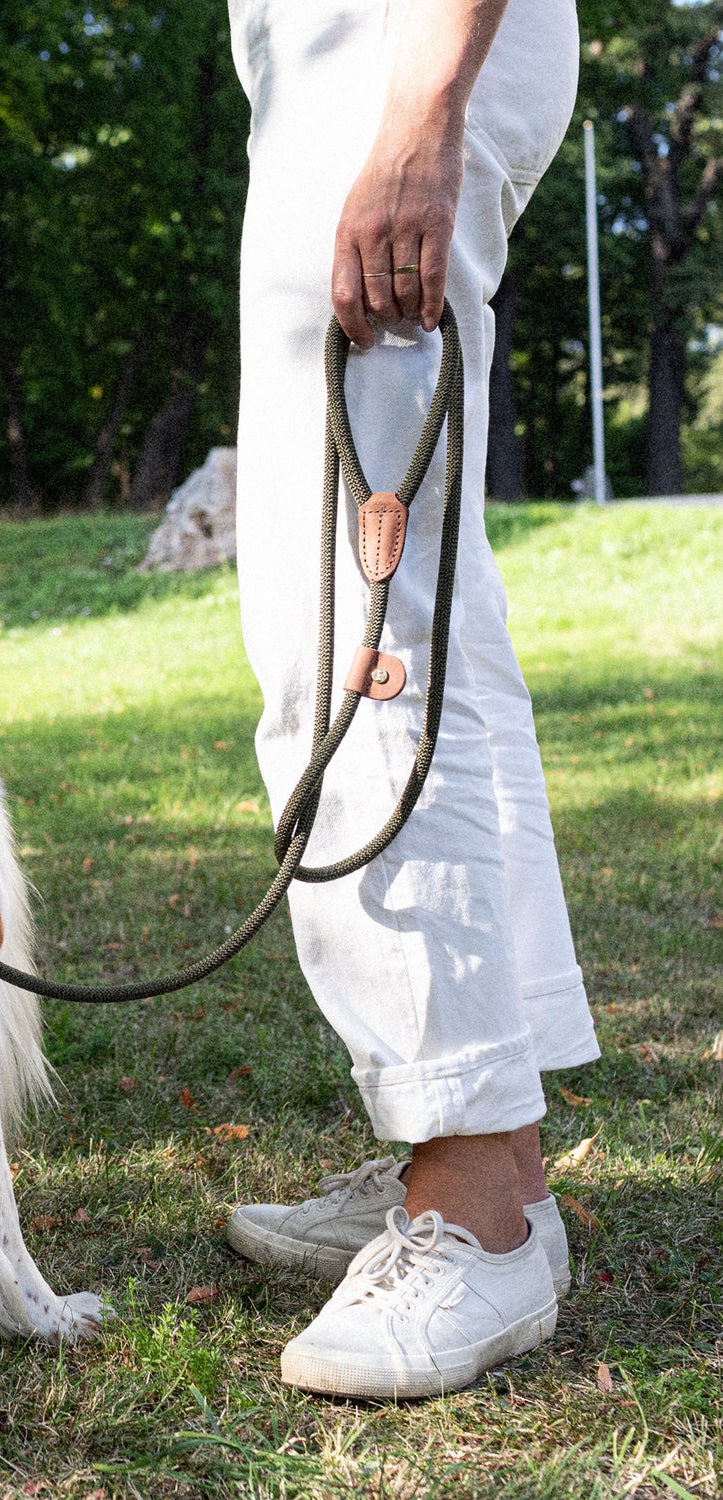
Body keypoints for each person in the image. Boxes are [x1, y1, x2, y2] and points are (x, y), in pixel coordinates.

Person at [221, 0, 601, 1399]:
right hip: (341, 56)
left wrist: (420, 110)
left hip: (394, 41)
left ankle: (471, 1214)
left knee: (356, 635)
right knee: (419, 616)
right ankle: (487, 1154)